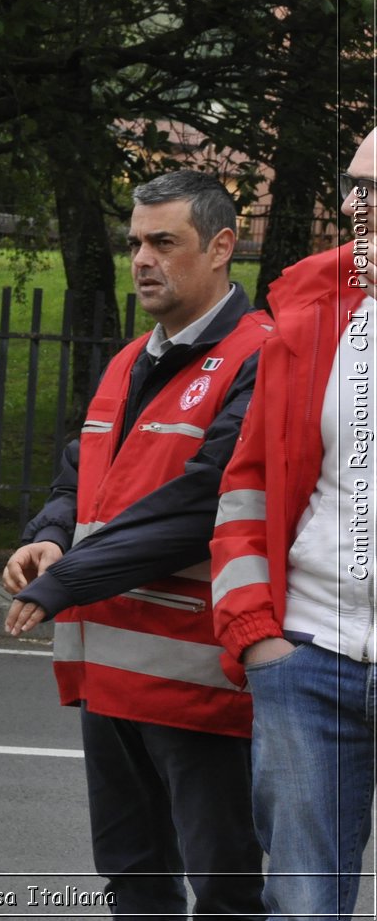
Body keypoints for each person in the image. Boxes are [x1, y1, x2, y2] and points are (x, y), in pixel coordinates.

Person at [2, 169, 269, 918]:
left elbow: (200, 506)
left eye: (164, 242)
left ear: (221, 247)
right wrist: (48, 539)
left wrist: (67, 580)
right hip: (112, 675)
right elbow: (76, 480)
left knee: (227, 892)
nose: (143, 259)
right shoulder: (128, 360)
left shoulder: (259, 357)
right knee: (133, 879)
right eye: (133, 244)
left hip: (201, 681)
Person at [211, 127, 377, 920]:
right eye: (352, 184)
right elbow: (246, 489)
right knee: (303, 907)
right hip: (307, 657)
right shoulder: (316, 315)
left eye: (376, 190)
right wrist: (257, 635)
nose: (354, 205)